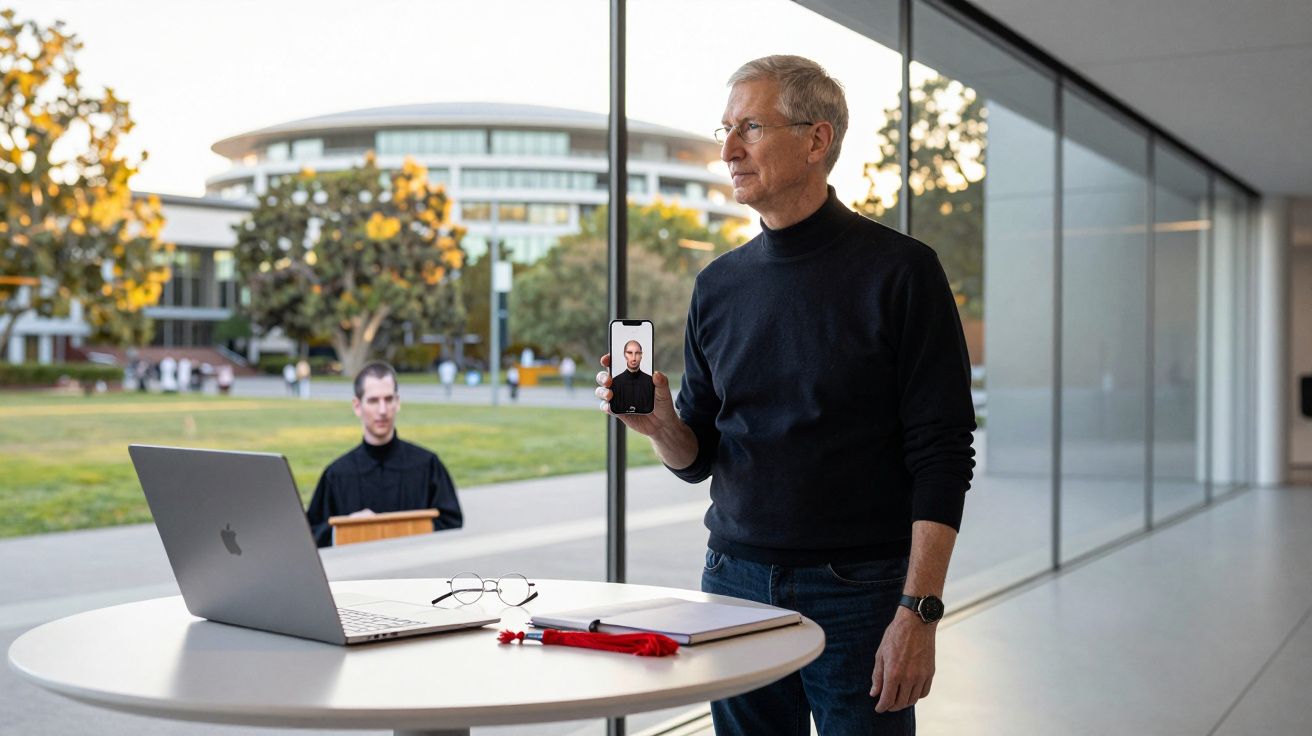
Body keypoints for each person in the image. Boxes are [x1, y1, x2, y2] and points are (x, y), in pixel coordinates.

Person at [596, 55, 975, 735]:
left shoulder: (903, 272)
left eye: (750, 128)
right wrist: (659, 426)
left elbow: (942, 454)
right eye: (724, 130)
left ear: (816, 139)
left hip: (859, 590)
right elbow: (700, 454)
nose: (728, 150)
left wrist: (918, 612)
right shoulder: (719, 285)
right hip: (732, 581)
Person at [305, 361, 463, 547]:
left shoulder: (427, 465)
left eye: (388, 400)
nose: (382, 410)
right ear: (357, 406)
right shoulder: (337, 474)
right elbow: (310, 535)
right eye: (373, 400)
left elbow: (451, 523)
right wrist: (347, 528)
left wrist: (395, 530)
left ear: (398, 402)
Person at [608, 340, 654, 414]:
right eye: (629, 353)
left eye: (637, 353)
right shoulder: (615, 382)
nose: (634, 358)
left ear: (641, 355)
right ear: (625, 355)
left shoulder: (650, 381)